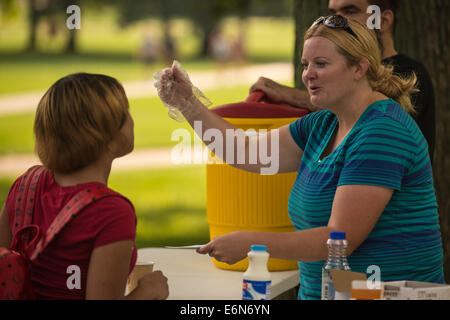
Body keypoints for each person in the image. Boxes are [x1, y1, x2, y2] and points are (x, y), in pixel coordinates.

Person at [155, 15, 444, 300]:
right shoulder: (324, 124)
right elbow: (246, 151)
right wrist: (187, 103)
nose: (308, 74)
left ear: (359, 68)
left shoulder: (382, 131)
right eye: (306, 65)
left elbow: (340, 239)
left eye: (321, 64)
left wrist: (252, 244)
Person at [0, 73, 169, 300]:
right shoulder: (111, 212)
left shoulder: (25, 185)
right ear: (108, 134)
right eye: (125, 113)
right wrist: (148, 292)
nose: (132, 119)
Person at [250, 0, 436, 161]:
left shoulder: (409, 75)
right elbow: (248, 152)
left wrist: (287, 95)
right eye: (333, 15)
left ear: (382, 20)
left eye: (350, 11)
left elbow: (366, 114)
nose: (336, 25)